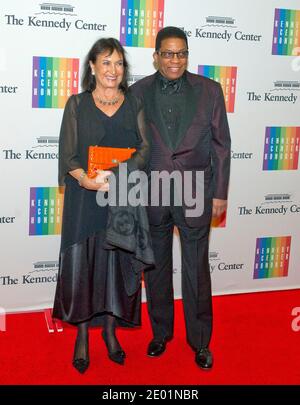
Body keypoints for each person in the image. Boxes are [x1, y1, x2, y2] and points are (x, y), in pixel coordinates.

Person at [130, 26, 231, 369]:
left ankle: (200, 341)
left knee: (196, 270)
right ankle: (161, 333)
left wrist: (219, 193)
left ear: (188, 55)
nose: (176, 60)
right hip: (152, 193)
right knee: (155, 268)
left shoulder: (210, 91)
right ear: (156, 56)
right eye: (168, 53)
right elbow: (129, 146)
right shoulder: (137, 92)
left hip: (196, 193)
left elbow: (221, 146)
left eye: (182, 53)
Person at [52, 37, 151, 373]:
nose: (113, 69)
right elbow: (68, 154)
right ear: (92, 66)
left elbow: (144, 151)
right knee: (84, 265)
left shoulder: (135, 103)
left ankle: (110, 333)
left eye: (119, 63)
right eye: (106, 62)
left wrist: (115, 175)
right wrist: (84, 178)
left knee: (115, 263)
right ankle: (82, 335)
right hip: (84, 197)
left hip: (122, 197)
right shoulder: (77, 105)